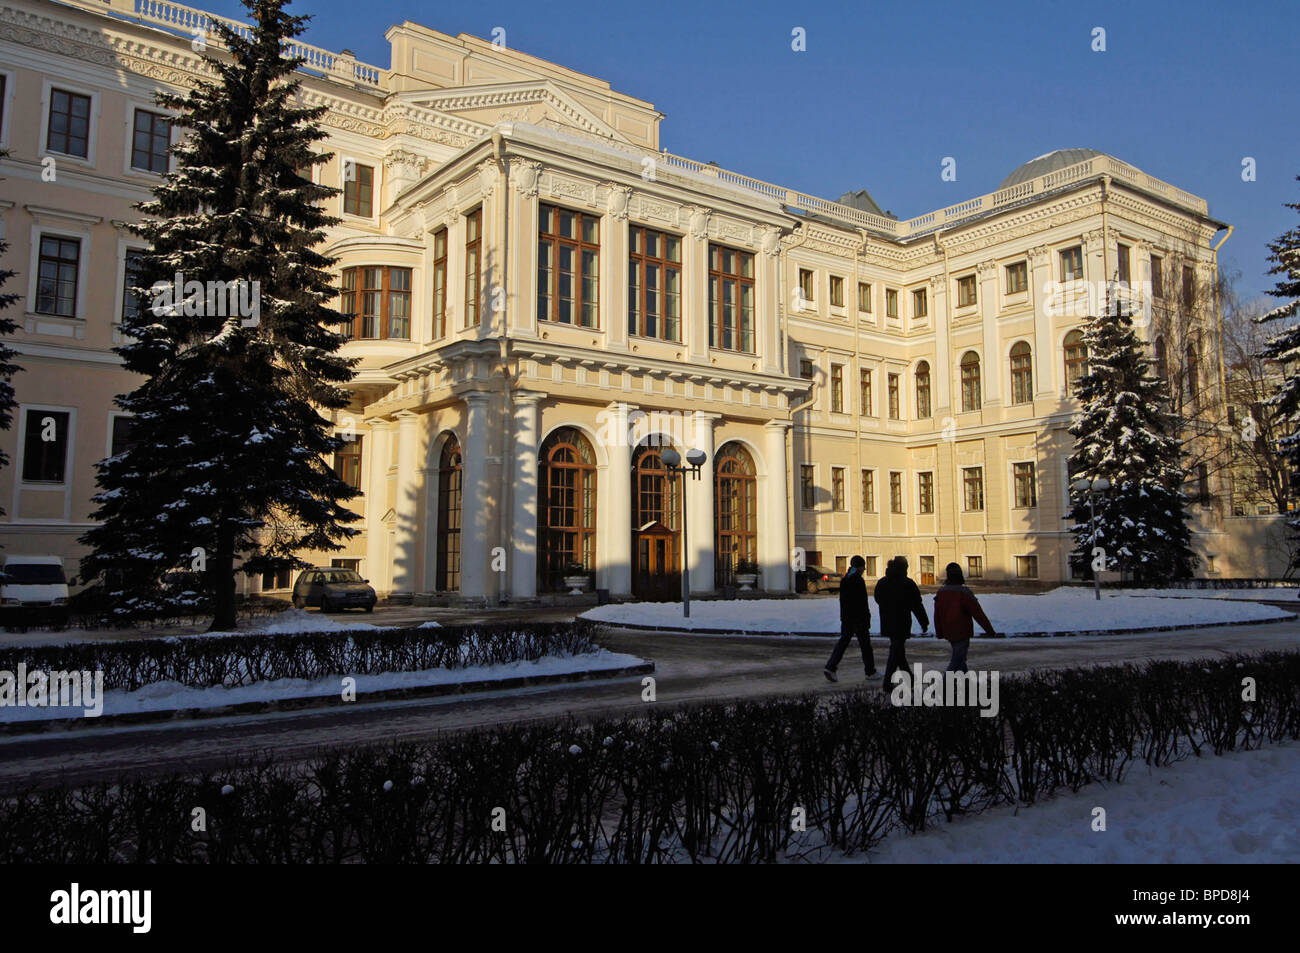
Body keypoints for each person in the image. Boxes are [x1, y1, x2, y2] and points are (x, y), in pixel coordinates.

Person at [874, 555, 929, 690]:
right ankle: (888, 682)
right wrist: (924, 621)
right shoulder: (907, 583)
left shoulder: (882, 582)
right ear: (904, 568)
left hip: (887, 621)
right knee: (896, 651)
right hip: (902, 622)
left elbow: (878, 599)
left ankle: (909, 678)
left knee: (898, 650)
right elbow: (917, 605)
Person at [933, 562, 999, 672]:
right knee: (957, 661)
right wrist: (989, 630)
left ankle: (968, 685)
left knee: (960, 660)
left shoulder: (941, 592)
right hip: (962, 631)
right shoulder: (964, 592)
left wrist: (939, 632)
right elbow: (978, 613)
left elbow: (937, 615)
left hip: (948, 631)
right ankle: (943, 687)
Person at [824, 555, 875, 682]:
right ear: (859, 567)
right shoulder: (858, 580)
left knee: (843, 643)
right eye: (863, 567)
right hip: (858, 619)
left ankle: (830, 667)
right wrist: (866, 617)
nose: (864, 570)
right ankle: (870, 671)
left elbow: (843, 601)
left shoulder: (845, 579)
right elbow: (862, 602)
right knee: (865, 646)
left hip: (847, 618)